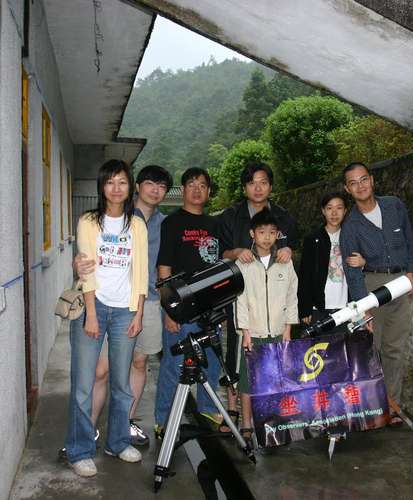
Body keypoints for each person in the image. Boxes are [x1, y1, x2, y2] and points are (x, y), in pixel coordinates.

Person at [72, 165, 173, 446]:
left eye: (162, 186)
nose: (155, 190)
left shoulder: (165, 223)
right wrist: (77, 264)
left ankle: (124, 426)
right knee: (100, 370)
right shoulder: (105, 218)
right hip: (109, 304)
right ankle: (88, 430)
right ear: (137, 186)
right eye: (150, 183)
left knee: (138, 364)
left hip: (146, 303)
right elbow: (87, 257)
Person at [64, 160, 148, 477]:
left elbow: (141, 271)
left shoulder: (136, 225)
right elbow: (85, 267)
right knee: (84, 384)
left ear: (130, 187)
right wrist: (90, 313)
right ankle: (79, 450)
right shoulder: (88, 221)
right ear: (102, 186)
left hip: (126, 310)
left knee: (121, 384)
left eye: (122, 182)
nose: (116, 188)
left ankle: (117, 442)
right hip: (94, 305)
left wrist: (138, 313)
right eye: (110, 181)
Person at [219, 162, 298, 431]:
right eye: (252, 182)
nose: (258, 187)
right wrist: (236, 252)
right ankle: (234, 412)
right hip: (242, 295)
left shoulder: (283, 216)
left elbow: (292, 249)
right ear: (244, 187)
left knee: (275, 369)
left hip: (275, 306)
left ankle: (270, 417)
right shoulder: (231, 216)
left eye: (263, 182)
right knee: (238, 356)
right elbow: (221, 252)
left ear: (271, 186)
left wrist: (289, 251)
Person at [340, 162, 413, 425]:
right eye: (353, 183)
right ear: (347, 189)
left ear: (372, 180)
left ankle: (392, 407)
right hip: (371, 284)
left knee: (395, 348)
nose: (360, 186)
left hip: (400, 282)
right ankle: (371, 409)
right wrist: (363, 307)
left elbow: (410, 239)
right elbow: (351, 270)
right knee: (371, 350)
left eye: (364, 179)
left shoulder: (394, 205)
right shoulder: (350, 225)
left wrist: (411, 271)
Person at [155, 167, 222, 437]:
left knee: (212, 360)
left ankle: (207, 407)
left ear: (208, 192)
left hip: (210, 306)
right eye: (192, 184)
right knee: (174, 364)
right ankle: (163, 419)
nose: (197, 189)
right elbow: (163, 268)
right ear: (183, 190)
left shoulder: (214, 224)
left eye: (202, 185)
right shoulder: (172, 223)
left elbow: (221, 261)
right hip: (182, 307)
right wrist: (169, 310)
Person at [234, 208, 299, 441]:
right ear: (252, 234)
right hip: (253, 332)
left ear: (277, 234)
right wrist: (245, 332)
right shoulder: (244, 263)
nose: (267, 237)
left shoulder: (284, 262)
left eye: (272, 232)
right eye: (261, 232)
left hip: (279, 332)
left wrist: (288, 328)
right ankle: (247, 423)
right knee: (247, 382)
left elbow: (292, 296)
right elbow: (240, 299)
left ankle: (274, 421)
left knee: (277, 380)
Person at [298, 192, 365, 326]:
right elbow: (305, 276)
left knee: (349, 340)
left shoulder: (353, 237)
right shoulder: (312, 239)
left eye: (339, 208)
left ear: (345, 211)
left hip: (348, 307)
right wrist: (305, 308)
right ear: (323, 211)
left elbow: (369, 265)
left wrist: (364, 262)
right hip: (318, 307)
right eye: (329, 208)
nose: (334, 213)